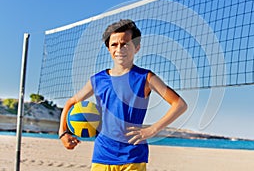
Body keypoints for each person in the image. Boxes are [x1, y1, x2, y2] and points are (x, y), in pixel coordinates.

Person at [59, 19, 188, 171]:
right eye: (114, 44)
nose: (119, 48)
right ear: (108, 48)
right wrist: (63, 133)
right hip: (102, 156)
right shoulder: (97, 80)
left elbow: (179, 104)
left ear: (137, 47)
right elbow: (70, 102)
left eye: (125, 43)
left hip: (133, 157)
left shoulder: (145, 78)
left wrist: (152, 130)